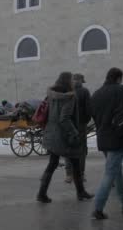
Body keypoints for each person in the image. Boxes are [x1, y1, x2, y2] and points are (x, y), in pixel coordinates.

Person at [91, 68, 123, 220]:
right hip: (118, 138)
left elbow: (93, 114)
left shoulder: (97, 93)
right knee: (110, 173)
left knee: (116, 171)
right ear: (119, 78)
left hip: (103, 138)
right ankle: (98, 209)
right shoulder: (121, 90)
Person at [37, 72, 93, 203]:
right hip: (65, 137)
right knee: (75, 163)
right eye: (71, 80)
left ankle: (42, 193)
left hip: (52, 135)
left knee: (53, 164)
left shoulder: (51, 96)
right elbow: (64, 119)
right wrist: (75, 133)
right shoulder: (69, 97)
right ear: (68, 82)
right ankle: (81, 192)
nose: (74, 82)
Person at [64, 73, 92, 183]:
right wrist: (85, 121)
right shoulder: (85, 92)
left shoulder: (66, 91)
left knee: (69, 149)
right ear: (81, 80)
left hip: (67, 125)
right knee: (81, 150)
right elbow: (89, 109)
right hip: (80, 125)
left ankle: (69, 174)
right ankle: (80, 174)